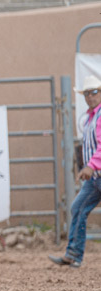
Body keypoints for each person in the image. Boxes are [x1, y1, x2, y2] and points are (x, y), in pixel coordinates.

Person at [49, 76, 101, 268]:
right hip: (95, 178)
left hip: (95, 173)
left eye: (94, 92)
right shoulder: (90, 117)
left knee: (78, 208)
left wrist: (90, 165)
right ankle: (73, 254)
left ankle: (74, 253)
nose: (90, 96)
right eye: (87, 93)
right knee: (77, 208)